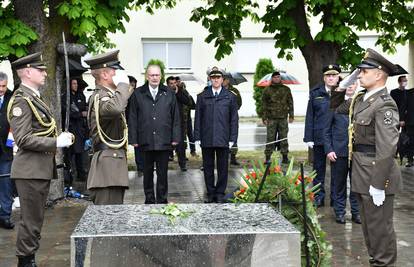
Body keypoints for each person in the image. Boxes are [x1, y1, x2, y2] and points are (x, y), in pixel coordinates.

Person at [336, 48, 404, 266]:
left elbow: (387, 149)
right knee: (369, 230)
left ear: (379, 74)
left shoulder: (384, 104)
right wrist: (344, 84)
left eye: (364, 71)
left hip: (376, 174)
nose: (360, 74)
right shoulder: (362, 99)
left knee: (380, 231)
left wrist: (379, 184)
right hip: (361, 172)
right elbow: (336, 106)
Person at [8, 52, 74, 267]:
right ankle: (26, 262)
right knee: (30, 221)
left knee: (35, 220)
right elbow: (24, 138)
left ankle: (29, 259)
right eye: (40, 69)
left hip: (38, 169)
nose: (45, 73)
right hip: (30, 170)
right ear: (27, 72)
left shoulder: (34, 97)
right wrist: (56, 143)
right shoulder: (21, 100)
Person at [85, 50, 133, 205]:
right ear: (105, 74)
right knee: (105, 223)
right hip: (106, 170)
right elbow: (115, 109)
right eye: (116, 70)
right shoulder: (101, 97)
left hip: (112, 166)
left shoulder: (110, 96)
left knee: (114, 223)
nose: (120, 73)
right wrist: (123, 84)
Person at [128, 65, 180, 204]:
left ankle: (162, 200)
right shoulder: (138, 93)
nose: (155, 78)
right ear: (147, 76)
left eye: (157, 75)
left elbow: (175, 117)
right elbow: (132, 117)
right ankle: (149, 200)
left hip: (164, 140)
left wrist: (175, 138)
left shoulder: (169, 93)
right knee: (147, 174)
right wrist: (133, 138)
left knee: (162, 174)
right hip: (145, 140)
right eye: (152, 75)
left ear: (161, 76)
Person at [194, 69, 239, 203]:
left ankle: (220, 192)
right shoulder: (202, 96)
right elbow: (198, 118)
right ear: (209, 79)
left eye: (218, 77)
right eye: (213, 77)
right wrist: (197, 136)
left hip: (223, 138)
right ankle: (210, 191)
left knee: (222, 167)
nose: (215, 80)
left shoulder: (230, 96)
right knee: (207, 167)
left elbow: (234, 120)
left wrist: (233, 138)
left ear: (222, 79)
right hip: (207, 137)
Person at [304, 64, 341, 207]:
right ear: (324, 77)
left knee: (337, 171)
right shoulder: (316, 93)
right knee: (318, 169)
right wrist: (308, 137)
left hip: (337, 137)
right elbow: (310, 116)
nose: (331, 78)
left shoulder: (342, 92)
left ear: (338, 77)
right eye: (328, 75)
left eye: (334, 75)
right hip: (319, 137)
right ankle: (318, 197)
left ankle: (335, 198)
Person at [325, 80, 360, 224]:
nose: (351, 86)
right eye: (348, 84)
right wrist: (329, 149)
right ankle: (340, 212)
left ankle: (356, 213)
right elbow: (326, 130)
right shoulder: (335, 105)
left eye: (353, 83)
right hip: (338, 152)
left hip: (357, 153)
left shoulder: (361, 104)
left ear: (357, 86)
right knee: (339, 184)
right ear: (344, 87)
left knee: (357, 185)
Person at [262, 71, 294, 164]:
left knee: (284, 138)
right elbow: (264, 104)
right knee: (270, 138)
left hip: (283, 118)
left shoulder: (286, 89)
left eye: (278, 77)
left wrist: (291, 115)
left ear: (281, 78)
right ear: (272, 78)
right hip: (271, 118)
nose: (276, 79)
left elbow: (290, 103)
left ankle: (285, 157)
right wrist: (264, 117)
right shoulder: (267, 90)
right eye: (275, 77)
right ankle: (268, 157)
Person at [0, 72, 14, 230]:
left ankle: (5, 216)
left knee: (5, 183)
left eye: (4, 86)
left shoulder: (12, 98)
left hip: (6, 149)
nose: (1, 89)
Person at [166, 76, 190, 171]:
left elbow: (187, 101)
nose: (173, 85)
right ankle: (166, 162)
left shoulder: (181, 91)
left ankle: (182, 164)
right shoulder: (164, 92)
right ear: (167, 84)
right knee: (166, 145)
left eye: (174, 83)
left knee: (181, 145)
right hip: (167, 123)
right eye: (171, 83)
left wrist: (178, 92)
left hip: (179, 123)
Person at [67, 78, 88, 182]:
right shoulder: (66, 97)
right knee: (70, 153)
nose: (75, 85)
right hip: (71, 128)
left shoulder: (80, 95)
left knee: (80, 152)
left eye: (76, 83)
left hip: (80, 128)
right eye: (73, 83)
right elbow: (67, 113)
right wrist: (80, 114)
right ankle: (70, 175)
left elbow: (84, 107)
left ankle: (81, 174)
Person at [390, 75, 411, 166]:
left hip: (407, 119)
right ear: (399, 82)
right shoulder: (394, 92)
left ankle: (407, 155)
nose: (405, 82)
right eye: (403, 81)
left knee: (407, 137)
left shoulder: (408, 92)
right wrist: (399, 118)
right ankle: (394, 153)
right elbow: (392, 105)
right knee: (394, 135)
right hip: (396, 117)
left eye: (406, 80)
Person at [223, 76, 242, 165]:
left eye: (224, 80)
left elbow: (239, 103)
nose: (223, 81)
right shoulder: (218, 90)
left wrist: (232, 109)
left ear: (228, 80)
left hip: (232, 117)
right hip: (222, 118)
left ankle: (233, 157)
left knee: (234, 136)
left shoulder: (234, 91)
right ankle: (224, 157)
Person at [127, 75, 144, 173]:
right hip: (126, 123)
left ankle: (141, 166)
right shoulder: (123, 94)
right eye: (131, 85)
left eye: (134, 85)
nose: (132, 87)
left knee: (139, 145)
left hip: (138, 123)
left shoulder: (138, 94)